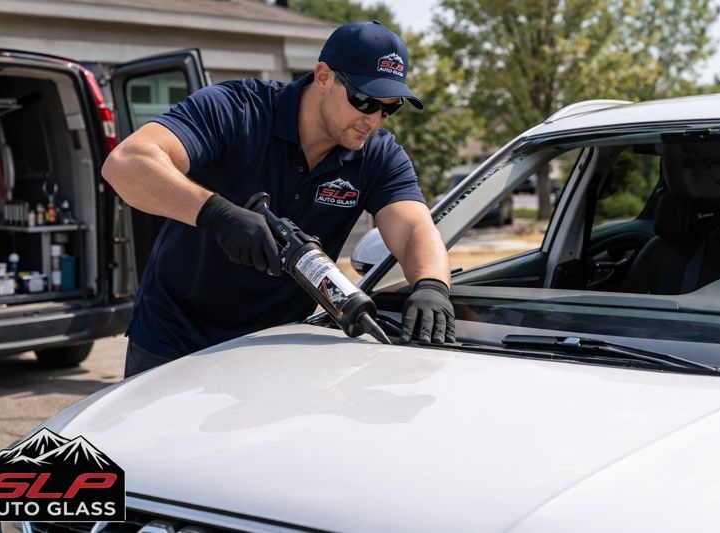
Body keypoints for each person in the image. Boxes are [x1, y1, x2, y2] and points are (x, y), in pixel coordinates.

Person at [102, 21, 456, 378]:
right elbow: (126, 163)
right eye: (364, 101)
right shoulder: (236, 110)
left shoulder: (378, 155)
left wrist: (432, 286)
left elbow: (413, 227)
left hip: (275, 348)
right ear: (323, 77)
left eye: (389, 108)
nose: (374, 120)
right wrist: (217, 214)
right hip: (174, 340)